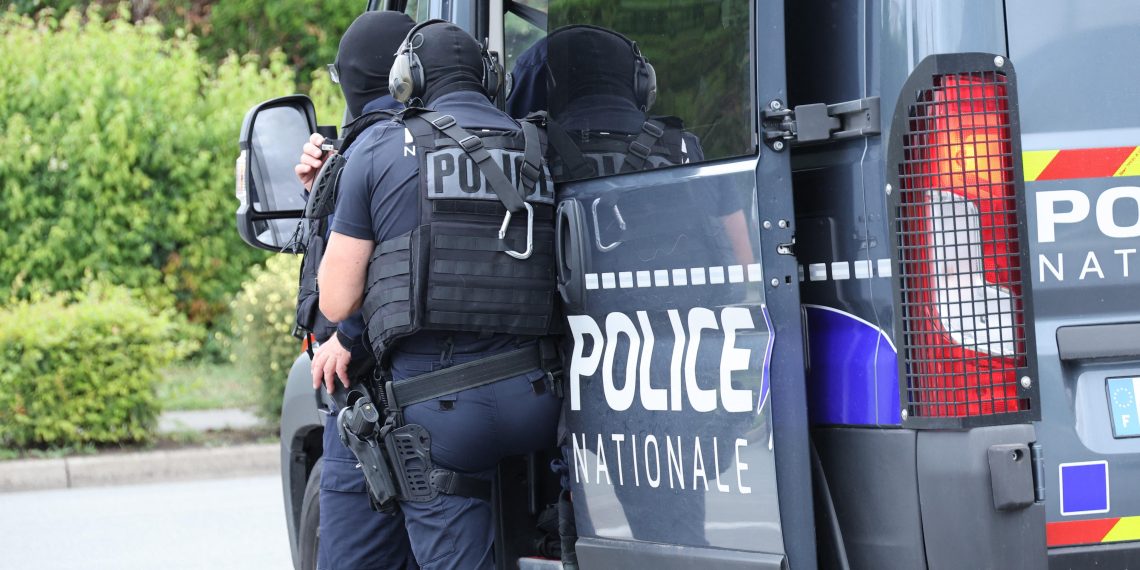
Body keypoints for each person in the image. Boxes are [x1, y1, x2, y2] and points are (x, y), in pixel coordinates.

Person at [318, 20, 562, 570]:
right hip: (540, 398)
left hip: (441, 411)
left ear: (408, 79)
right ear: (491, 76)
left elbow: (335, 303)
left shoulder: (378, 150)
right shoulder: (537, 144)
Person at [292, 10, 419, 570]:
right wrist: (321, 191)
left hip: (368, 393)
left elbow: (390, 277)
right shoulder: (441, 146)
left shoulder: (379, 150)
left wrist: (349, 338)